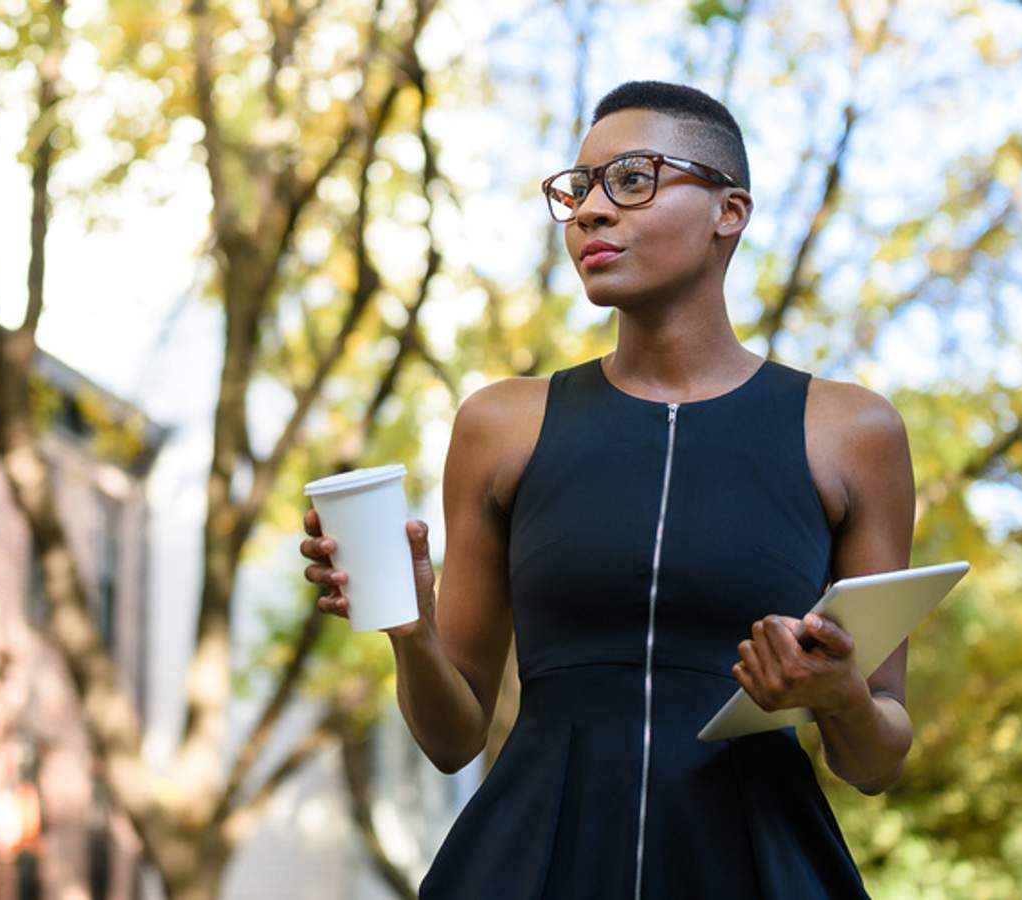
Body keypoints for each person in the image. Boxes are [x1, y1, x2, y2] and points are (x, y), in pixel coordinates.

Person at [297, 80, 916, 898]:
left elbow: (877, 758)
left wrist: (841, 699)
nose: (590, 211)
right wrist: (411, 630)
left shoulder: (852, 431)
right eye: (578, 189)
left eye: (631, 179)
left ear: (729, 211)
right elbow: (452, 740)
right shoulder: (500, 425)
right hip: (532, 862)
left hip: (756, 863)